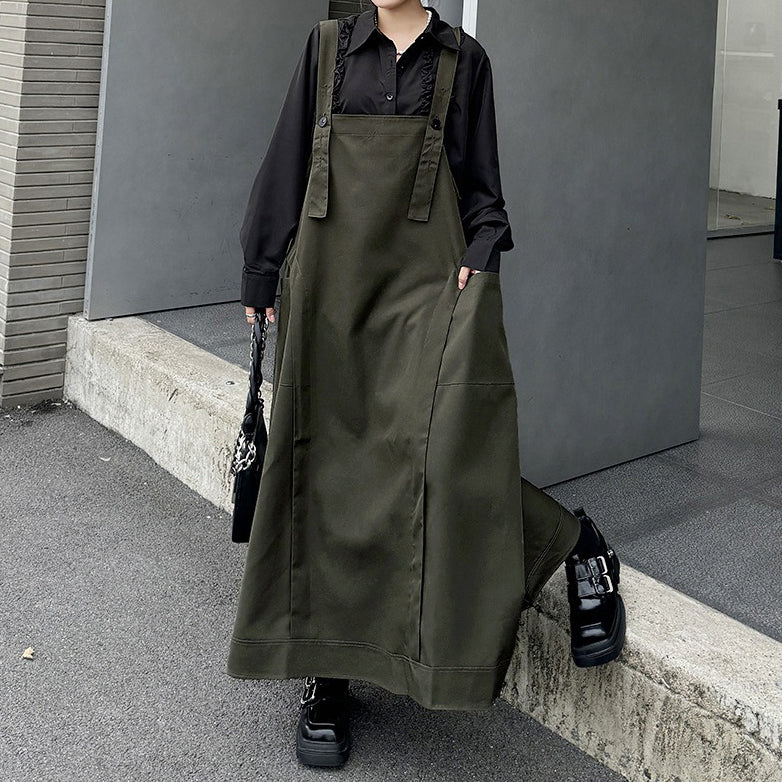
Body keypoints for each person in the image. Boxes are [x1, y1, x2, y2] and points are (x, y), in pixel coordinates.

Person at [228, 0, 626, 768]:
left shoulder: (465, 62)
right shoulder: (326, 49)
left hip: (430, 296)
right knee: (328, 471)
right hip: (327, 299)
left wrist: (477, 264)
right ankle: (327, 678)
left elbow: (484, 197)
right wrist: (260, 266)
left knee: (444, 463)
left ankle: (576, 543)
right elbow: (285, 164)